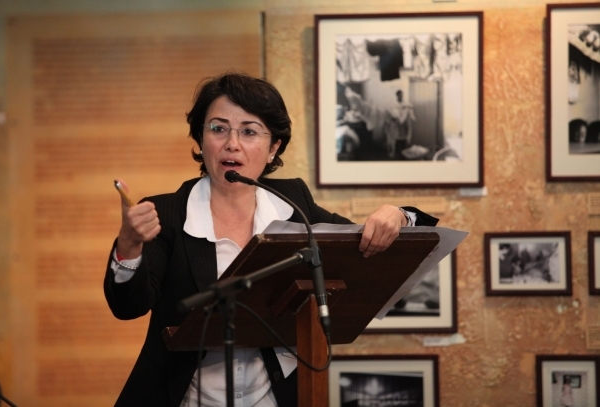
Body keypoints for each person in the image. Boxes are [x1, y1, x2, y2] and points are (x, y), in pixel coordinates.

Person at [104, 72, 439, 407]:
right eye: (218, 129)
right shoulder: (168, 213)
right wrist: (129, 246)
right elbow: (128, 307)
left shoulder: (293, 204)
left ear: (273, 148)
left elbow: (366, 244)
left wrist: (398, 215)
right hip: (184, 398)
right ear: (201, 139)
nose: (232, 143)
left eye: (249, 131)